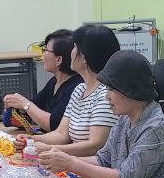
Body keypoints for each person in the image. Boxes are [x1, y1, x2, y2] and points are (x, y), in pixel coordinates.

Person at [38, 51, 164, 178]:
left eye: (111, 89)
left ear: (130, 90)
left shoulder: (158, 126)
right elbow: (103, 159)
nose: (107, 96)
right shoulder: (124, 118)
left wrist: (71, 164)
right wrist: (61, 161)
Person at [19, 24, 120, 157]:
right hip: (73, 164)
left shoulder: (105, 95)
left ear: (84, 58)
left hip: (90, 169)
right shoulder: (80, 89)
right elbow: (61, 134)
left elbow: (95, 146)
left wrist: (49, 149)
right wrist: (32, 140)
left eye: (75, 47)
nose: (71, 52)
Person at [2, 29, 82, 133]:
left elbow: (54, 125)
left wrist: (25, 104)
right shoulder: (54, 81)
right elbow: (36, 106)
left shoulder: (76, 87)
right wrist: (16, 104)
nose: (43, 55)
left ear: (59, 60)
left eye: (46, 50)